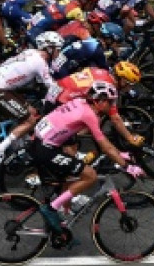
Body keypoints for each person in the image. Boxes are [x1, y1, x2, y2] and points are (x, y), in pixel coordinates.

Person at [29, 81, 144, 222]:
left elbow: (100, 141)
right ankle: (52, 208)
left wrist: (119, 154)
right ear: (100, 101)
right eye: (111, 102)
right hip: (45, 148)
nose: (113, 105)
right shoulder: (89, 115)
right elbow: (105, 146)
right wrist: (127, 166)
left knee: (71, 175)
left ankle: (63, 217)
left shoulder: (80, 102)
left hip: (41, 141)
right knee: (90, 175)